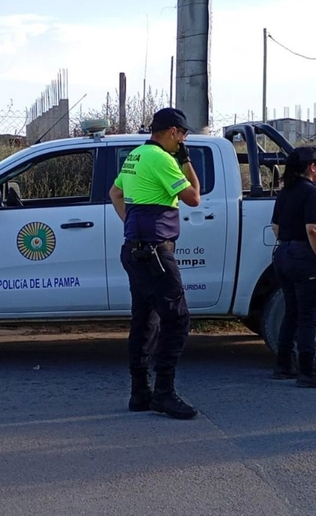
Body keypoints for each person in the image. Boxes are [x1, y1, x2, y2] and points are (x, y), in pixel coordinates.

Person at [109, 107, 202, 420]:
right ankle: (163, 392)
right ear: (174, 132)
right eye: (183, 135)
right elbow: (193, 197)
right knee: (177, 319)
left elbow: (115, 192)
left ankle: (140, 392)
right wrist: (186, 161)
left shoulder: (136, 155)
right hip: (155, 252)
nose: (183, 141)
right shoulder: (162, 158)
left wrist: (131, 224)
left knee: (145, 319)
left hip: (135, 249)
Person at [271, 146, 316, 388]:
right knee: (309, 316)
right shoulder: (311, 192)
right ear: (312, 166)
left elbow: (275, 226)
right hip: (304, 257)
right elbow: (312, 228)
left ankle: (283, 365)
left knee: (291, 311)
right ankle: (307, 371)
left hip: (283, 254)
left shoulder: (285, 191)